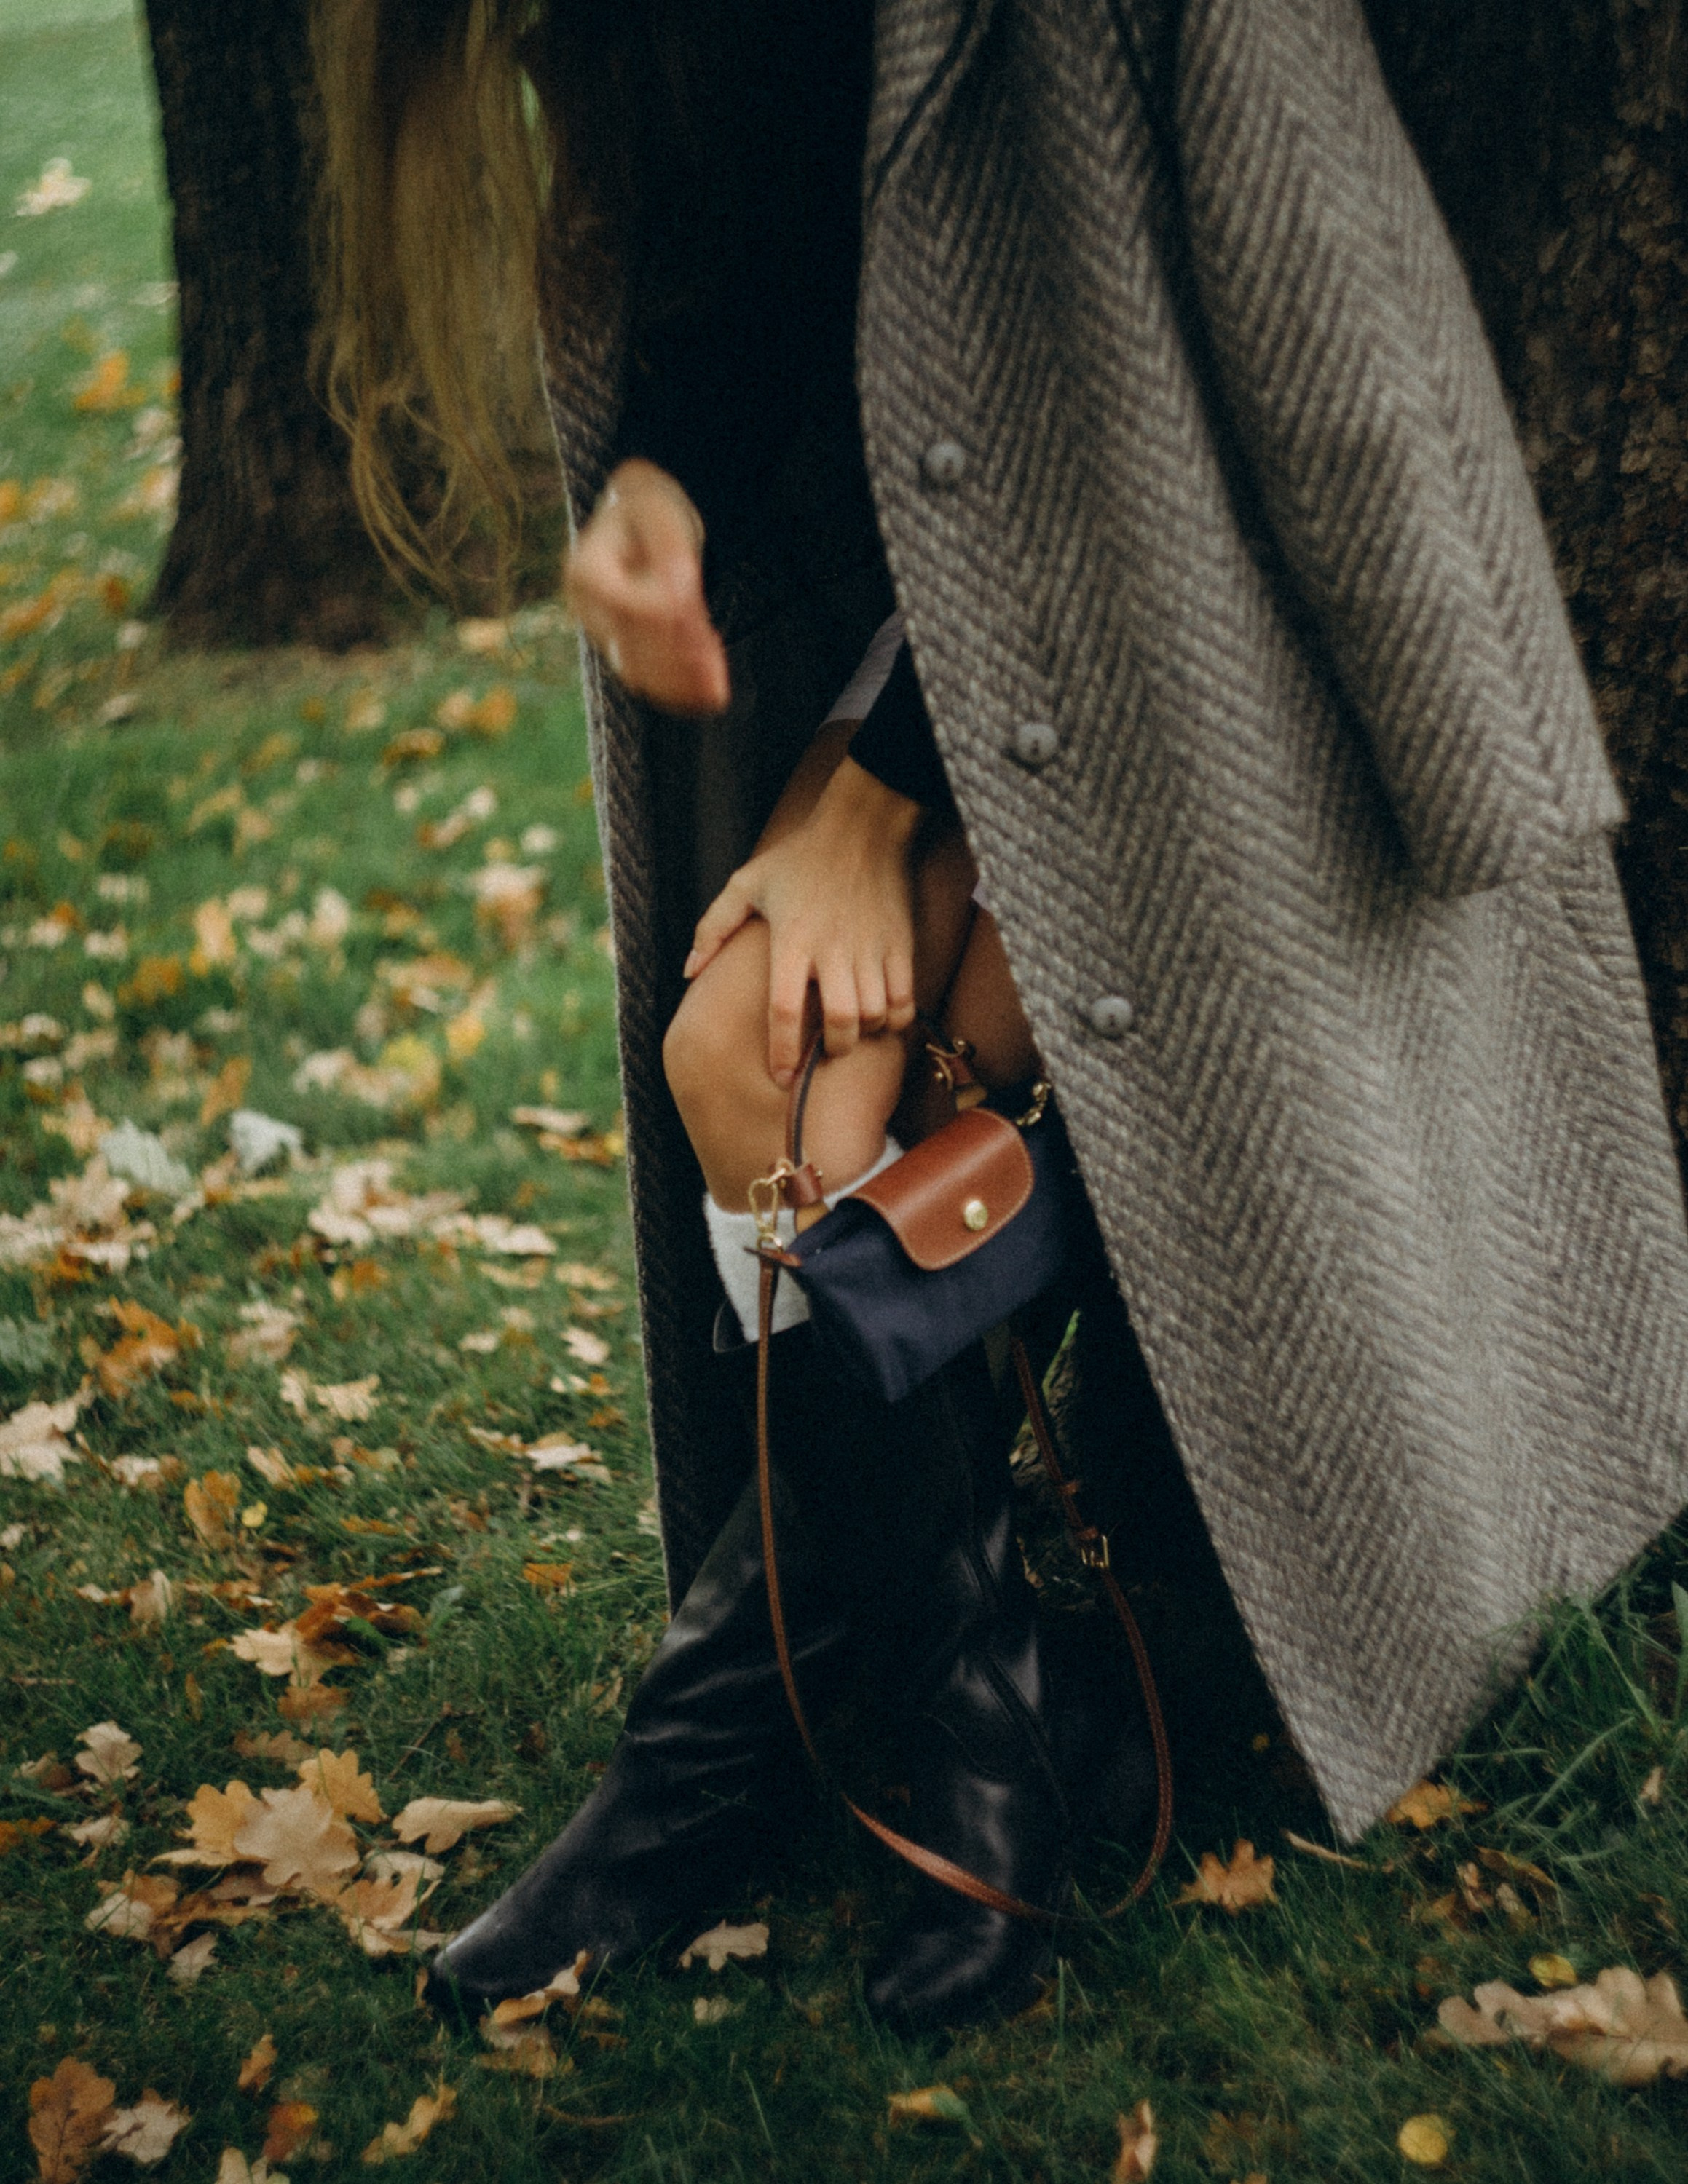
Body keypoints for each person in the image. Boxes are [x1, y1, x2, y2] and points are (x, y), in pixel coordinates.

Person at [311, 0, 1688, 2033]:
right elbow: (771, 242)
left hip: (1170, 609)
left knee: (883, 1046)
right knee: (752, 1065)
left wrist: (876, 796)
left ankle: (751, 1750)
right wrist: (658, 483)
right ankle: (940, 1733)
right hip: (891, 598)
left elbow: (1201, 313)